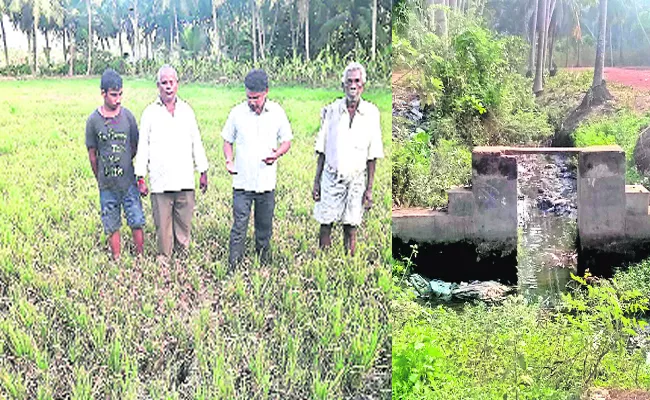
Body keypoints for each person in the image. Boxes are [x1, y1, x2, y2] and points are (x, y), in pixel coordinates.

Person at [134, 65, 209, 263]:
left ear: (177, 84)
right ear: (158, 86)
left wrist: (203, 170)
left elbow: (196, 141)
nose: (168, 87)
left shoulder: (186, 111)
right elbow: (143, 146)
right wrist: (140, 176)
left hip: (184, 177)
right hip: (161, 180)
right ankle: (164, 257)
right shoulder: (150, 113)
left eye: (171, 82)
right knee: (163, 224)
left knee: (184, 222)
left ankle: (182, 256)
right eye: (164, 83)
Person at [222, 69, 293, 268]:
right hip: (242, 182)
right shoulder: (237, 113)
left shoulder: (277, 113)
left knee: (264, 226)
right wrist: (229, 160)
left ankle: (263, 263)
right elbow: (227, 140)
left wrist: (277, 154)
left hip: (266, 182)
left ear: (266, 92)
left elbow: (286, 140)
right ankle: (233, 264)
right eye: (248, 97)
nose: (252, 102)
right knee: (239, 226)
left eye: (256, 98)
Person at [312, 62, 384, 256]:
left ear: (363, 85)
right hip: (331, 175)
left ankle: (349, 262)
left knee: (351, 226)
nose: (353, 86)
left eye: (357, 81)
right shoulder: (331, 111)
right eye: (349, 81)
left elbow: (373, 154)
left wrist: (369, 189)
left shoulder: (371, 113)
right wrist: (316, 182)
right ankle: (324, 262)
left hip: (357, 178)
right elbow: (322, 149)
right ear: (343, 85)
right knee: (326, 222)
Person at [86, 68, 145, 260]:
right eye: (113, 95)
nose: (117, 99)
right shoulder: (93, 120)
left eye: (120, 94)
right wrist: (100, 177)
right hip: (107, 184)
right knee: (112, 223)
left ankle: (139, 256)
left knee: (136, 219)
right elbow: (92, 154)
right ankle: (117, 257)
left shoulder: (128, 117)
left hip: (128, 182)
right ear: (103, 93)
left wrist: (127, 161)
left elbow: (135, 145)